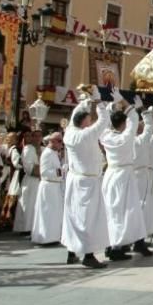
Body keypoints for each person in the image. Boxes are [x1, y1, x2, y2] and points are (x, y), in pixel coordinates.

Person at [100, 94, 152, 261]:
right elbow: (134, 119)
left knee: (111, 211)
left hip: (110, 174)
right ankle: (116, 247)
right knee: (124, 212)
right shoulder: (126, 137)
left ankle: (110, 244)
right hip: (124, 177)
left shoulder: (105, 136)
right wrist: (127, 103)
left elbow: (105, 122)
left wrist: (112, 104)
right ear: (123, 124)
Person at [61, 99, 110, 269]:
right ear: (84, 122)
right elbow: (104, 122)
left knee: (74, 216)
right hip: (87, 182)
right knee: (88, 219)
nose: (91, 122)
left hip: (74, 179)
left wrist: (86, 101)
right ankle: (89, 255)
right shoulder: (85, 135)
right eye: (89, 120)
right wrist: (99, 104)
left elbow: (75, 115)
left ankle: (71, 252)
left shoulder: (69, 133)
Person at [133, 104, 153, 238]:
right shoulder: (145, 139)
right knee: (142, 204)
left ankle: (149, 228)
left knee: (149, 203)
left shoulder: (150, 139)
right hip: (141, 175)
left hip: (147, 174)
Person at [31, 132, 65, 245]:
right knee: (47, 213)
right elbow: (44, 172)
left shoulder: (53, 153)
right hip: (48, 187)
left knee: (54, 213)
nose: (61, 144)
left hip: (54, 187)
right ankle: (46, 238)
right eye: (59, 141)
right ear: (52, 141)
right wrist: (62, 171)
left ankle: (53, 236)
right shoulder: (47, 153)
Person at [13, 130, 42, 234]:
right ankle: (26, 228)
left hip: (41, 182)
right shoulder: (28, 149)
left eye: (40, 136)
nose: (38, 138)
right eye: (36, 136)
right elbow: (28, 167)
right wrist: (42, 171)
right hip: (31, 181)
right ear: (32, 138)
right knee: (28, 204)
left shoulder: (43, 149)